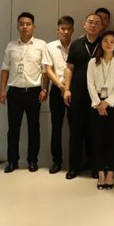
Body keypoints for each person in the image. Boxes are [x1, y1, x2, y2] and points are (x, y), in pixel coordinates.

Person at [0, 12, 50, 173]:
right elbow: (5, 68)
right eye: (21, 24)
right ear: (17, 26)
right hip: (14, 92)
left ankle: (32, 161)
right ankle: (12, 161)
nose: (24, 27)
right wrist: (2, 90)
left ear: (33, 26)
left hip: (34, 92)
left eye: (28, 24)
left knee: (33, 128)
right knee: (13, 129)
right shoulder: (11, 46)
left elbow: (45, 70)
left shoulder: (41, 45)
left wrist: (44, 89)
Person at [63, 13, 103, 179]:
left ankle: (96, 167)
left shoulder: (105, 43)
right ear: (84, 24)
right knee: (75, 132)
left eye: (97, 23)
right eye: (90, 22)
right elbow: (69, 68)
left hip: (99, 95)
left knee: (96, 132)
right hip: (78, 93)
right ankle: (74, 167)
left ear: (102, 27)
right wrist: (66, 89)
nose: (93, 25)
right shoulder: (76, 44)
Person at [87, 30, 114, 190]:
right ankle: (100, 174)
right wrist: (98, 103)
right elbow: (90, 84)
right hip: (96, 104)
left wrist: (107, 102)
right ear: (101, 43)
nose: (108, 44)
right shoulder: (93, 62)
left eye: (112, 41)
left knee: (113, 139)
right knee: (97, 139)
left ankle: (110, 173)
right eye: (105, 41)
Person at [44, 15, 74, 174]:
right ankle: (57, 161)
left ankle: (74, 163)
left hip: (74, 90)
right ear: (58, 29)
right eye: (63, 28)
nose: (66, 31)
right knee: (56, 127)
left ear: (73, 29)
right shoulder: (50, 47)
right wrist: (61, 86)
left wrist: (67, 88)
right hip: (57, 90)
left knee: (75, 127)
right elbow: (48, 70)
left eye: (69, 29)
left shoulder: (76, 45)